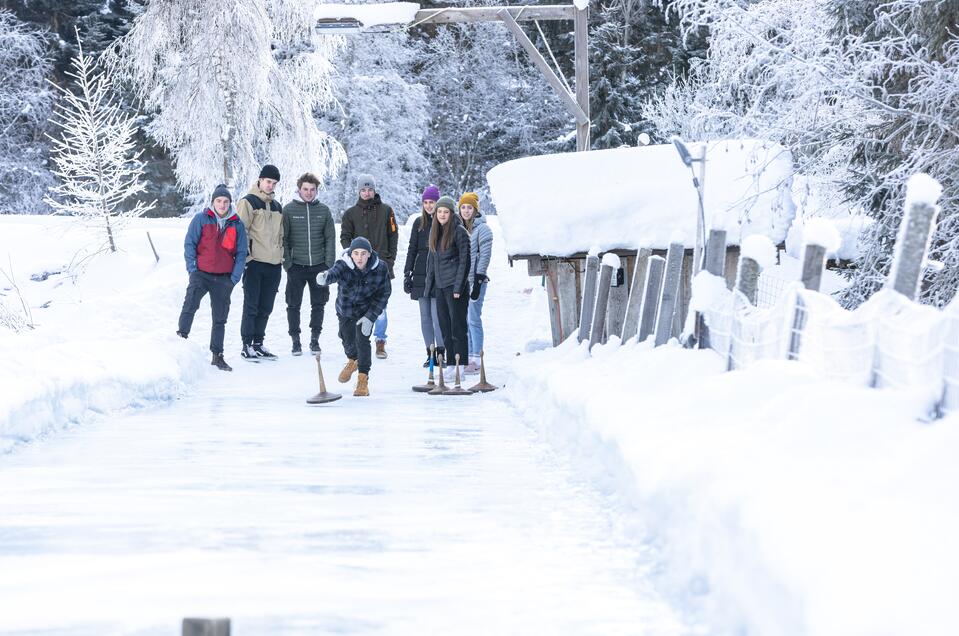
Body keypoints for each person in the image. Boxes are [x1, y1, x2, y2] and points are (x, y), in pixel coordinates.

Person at [177, 184, 248, 372]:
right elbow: (189, 243)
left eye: (226, 201)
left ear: (230, 203)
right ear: (213, 202)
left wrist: (234, 278)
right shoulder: (201, 219)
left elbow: (241, 253)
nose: (222, 205)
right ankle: (179, 342)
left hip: (224, 279)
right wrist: (192, 269)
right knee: (190, 306)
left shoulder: (237, 224)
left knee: (220, 319)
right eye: (219, 201)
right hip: (200, 274)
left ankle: (217, 356)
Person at [315, 237, 392, 397]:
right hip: (346, 310)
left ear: (369, 255)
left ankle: (363, 380)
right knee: (346, 338)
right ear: (351, 254)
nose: (359, 257)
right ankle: (352, 360)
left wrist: (371, 317)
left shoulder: (380, 268)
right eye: (356, 253)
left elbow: (384, 293)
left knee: (362, 341)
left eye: (363, 254)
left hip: (366, 311)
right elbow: (334, 273)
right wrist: (325, 277)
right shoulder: (344, 264)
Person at [340, 174, 397, 360]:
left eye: (370, 189)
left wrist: (389, 260)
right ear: (358, 191)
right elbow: (345, 238)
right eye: (363, 190)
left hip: (381, 268)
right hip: (358, 270)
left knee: (380, 307)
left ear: (374, 190)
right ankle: (359, 339)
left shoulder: (387, 211)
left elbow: (393, 237)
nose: (366, 193)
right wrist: (353, 260)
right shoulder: (350, 214)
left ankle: (380, 341)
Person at [282, 172, 336, 356]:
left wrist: (328, 264)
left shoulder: (324, 210)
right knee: (293, 304)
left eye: (312, 189)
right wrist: (288, 264)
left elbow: (330, 238)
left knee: (318, 304)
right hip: (296, 266)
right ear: (299, 189)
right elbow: (284, 239)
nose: (309, 193)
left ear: (316, 190)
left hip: (319, 266)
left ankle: (315, 339)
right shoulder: (288, 210)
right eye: (305, 189)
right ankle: (295, 341)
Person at [237, 164, 284, 362]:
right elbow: (240, 232)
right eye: (268, 182)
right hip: (255, 263)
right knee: (252, 305)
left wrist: (281, 257)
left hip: (274, 265)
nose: (270, 186)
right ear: (260, 180)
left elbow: (281, 235)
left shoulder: (277, 206)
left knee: (266, 306)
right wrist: (247, 258)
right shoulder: (248, 202)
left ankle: (258, 343)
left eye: (274, 183)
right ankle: (247, 344)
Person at [424, 195, 471, 370]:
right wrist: (430, 287)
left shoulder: (459, 231)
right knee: (445, 327)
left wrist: (459, 287)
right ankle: (451, 363)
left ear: (452, 213)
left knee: (457, 327)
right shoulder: (435, 232)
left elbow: (465, 262)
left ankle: (460, 365)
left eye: (446, 212)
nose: (442, 215)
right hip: (441, 287)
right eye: (439, 212)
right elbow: (432, 262)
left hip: (455, 287)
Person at [403, 184, 445, 367]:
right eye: (426, 202)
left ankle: (442, 353)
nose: (429, 206)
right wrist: (407, 273)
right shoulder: (418, 224)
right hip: (420, 274)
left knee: (437, 317)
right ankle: (430, 353)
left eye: (432, 202)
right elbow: (412, 249)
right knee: (425, 317)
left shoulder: (444, 221)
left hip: (438, 275)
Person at [458, 192, 493, 375]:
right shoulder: (459, 228)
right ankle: (468, 356)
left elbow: (484, 255)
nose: (466, 210)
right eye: (463, 207)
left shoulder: (482, 229)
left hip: (476, 281)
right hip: (461, 282)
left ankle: (476, 358)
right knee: (464, 320)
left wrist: (478, 280)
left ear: (475, 210)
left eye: (469, 207)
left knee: (473, 318)